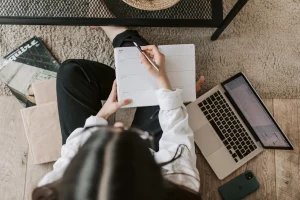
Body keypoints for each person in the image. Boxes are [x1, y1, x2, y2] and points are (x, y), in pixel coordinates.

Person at [32, 26, 205, 200]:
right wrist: (165, 83)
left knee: (71, 72)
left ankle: (128, 62)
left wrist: (102, 115)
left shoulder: (52, 192)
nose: (119, 124)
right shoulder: (181, 185)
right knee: (169, 87)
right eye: (134, 138)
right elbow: (177, 136)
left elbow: (71, 154)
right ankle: (119, 34)